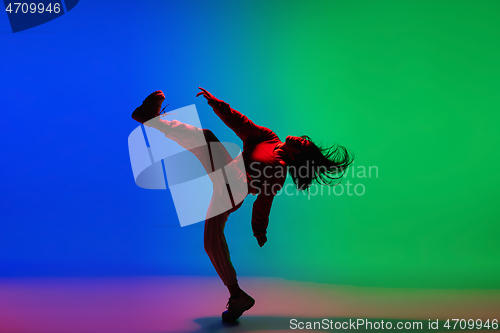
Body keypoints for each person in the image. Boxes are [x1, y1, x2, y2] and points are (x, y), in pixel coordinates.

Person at [131, 87, 354, 322]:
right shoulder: (268, 137)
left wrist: (259, 231)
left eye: (303, 146)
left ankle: (150, 119)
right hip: (225, 184)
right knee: (211, 244)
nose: (300, 139)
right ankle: (238, 296)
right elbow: (241, 123)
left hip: (236, 188)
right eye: (304, 139)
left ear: (298, 158)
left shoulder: (279, 172)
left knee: (206, 138)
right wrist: (216, 104)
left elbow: (263, 203)